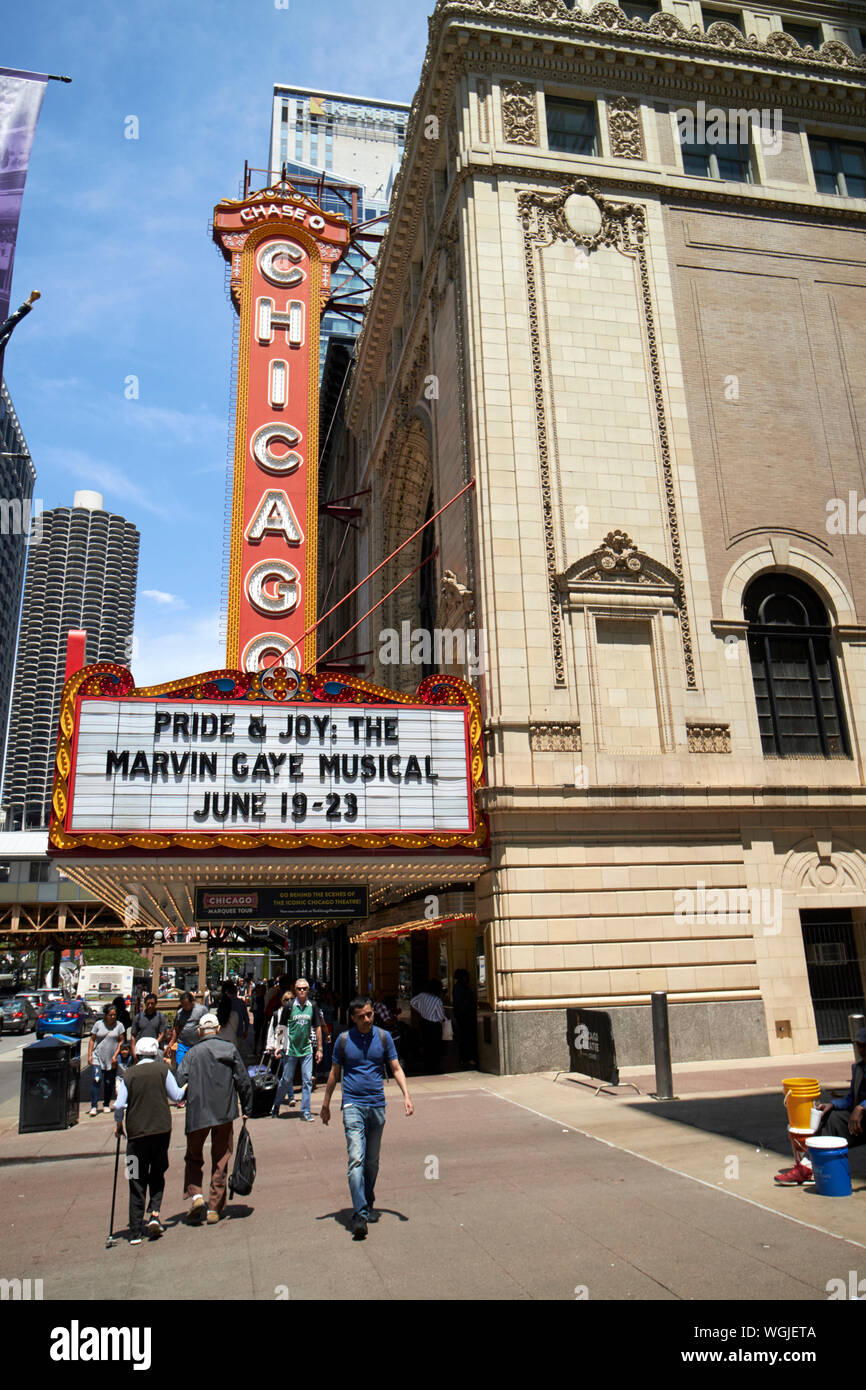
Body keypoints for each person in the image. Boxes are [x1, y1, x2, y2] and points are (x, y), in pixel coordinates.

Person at [320, 995, 414, 1239]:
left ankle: (368, 1201)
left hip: (377, 1105)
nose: (367, 1019)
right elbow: (334, 1073)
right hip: (352, 1104)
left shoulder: (383, 1038)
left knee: (372, 1161)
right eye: (361, 1016)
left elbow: (395, 1068)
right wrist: (326, 1103)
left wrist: (406, 1095)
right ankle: (360, 1213)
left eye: (370, 1014)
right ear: (353, 1018)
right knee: (356, 1159)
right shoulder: (343, 1041)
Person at [177, 1012, 252, 1224]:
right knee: (221, 1158)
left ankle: (196, 1195)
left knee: (193, 1156)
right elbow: (243, 1081)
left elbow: (179, 1079)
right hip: (224, 1112)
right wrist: (247, 1106)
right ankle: (214, 1206)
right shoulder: (229, 1049)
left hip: (197, 1112)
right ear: (218, 1029)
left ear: (200, 1032)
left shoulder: (192, 1054)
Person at [114, 1036, 186, 1243]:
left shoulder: (129, 1074)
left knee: (135, 1178)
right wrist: (187, 1086)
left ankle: (135, 1230)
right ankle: (154, 1213)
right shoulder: (163, 1071)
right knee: (158, 1172)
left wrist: (119, 1123)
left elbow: (119, 1105)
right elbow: (177, 1096)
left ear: (137, 1053)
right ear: (156, 1053)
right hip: (161, 1131)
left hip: (136, 1135)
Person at [775, 1027, 866, 1185]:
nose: (861, 1049)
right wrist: (832, 1104)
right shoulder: (858, 1068)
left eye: (864, 1045)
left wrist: (861, 1107)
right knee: (829, 1119)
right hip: (860, 1119)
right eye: (859, 1045)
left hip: (862, 1115)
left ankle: (810, 1165)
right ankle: (809, 1166)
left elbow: (857, 1105)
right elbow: (851, 1098)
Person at [269, 979, 323, 1121]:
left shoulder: (313, 1006)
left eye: (304, 988)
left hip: (306, 1049)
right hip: (291, 1049)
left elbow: (317, 1027)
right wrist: (278, 1046)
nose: (302, 991)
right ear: (295, 990)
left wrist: (320, 1048)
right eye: (299, 989)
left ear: (308, 990)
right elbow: (281, 1027)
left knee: (307, 1081)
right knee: (286, 1080)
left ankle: (305, 1111)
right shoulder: (289, 1006)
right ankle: (276, 1105)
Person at [88, 1004, 126, 1115]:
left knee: (108, 1082)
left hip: (111, 1058)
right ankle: (94, 1106)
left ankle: (106, 1104)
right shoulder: (98, 1025)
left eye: (115, 1015)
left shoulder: (119, 1026)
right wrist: (90, 1055)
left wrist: (116, 1055)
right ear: (105, 1015)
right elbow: (92, 1039)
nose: (113, 1017)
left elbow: (121, 1041)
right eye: (111, 1015)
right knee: (97, 1079)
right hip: (97, 1056)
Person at [411, 979, 447, 1074]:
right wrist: (444, 1020)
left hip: (423, 1023)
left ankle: (427, 1067)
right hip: (434, 1025)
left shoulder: (422, 995)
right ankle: (435, 1068)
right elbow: (440, 1016)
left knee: (426, 1045)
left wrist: (420, 1010)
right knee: (435, 1047)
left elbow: (412, 1002)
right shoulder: (437, 1000)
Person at [168, 991, 207, 1071]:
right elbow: (176, 1028)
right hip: (183, 1044)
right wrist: (172, 1042)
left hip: (197, 1044)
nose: (184, 1007)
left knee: (196, 1067)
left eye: (186, 1004)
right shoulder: (180, 1013)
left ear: (192, 1002)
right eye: (182, 1005)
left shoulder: (202, 1010)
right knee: (180, 1066)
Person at [452, 969, 478, 1069]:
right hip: (465, 1017)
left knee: (464, 1038)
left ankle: (464, 1058)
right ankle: (467, 1058)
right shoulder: (461, 988)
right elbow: (465, 1003)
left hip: (462, 1016)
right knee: (467, 1038)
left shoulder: (457, 987)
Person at [131, 994, 168, 1059]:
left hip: (155, 1052)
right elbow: (133, 1036)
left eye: (152, 1003)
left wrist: (153, 1044)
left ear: (156, 1003)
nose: (150, 1005)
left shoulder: (160, 1017)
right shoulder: (138, 1017)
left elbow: (162, 1034)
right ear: (145, 1003)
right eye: (148, 1003)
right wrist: (134, 1052)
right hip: (141, 1051)